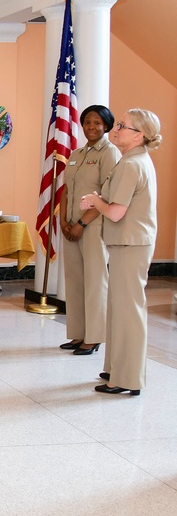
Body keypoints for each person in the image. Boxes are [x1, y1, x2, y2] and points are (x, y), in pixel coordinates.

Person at [80, 108, 161, 397]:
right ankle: (116, 368)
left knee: (128, 312)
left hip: (131, 244)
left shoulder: (131, 164)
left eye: (123, 126)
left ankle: (128, 378)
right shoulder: (132, 159)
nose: (116, 129)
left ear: (139, 135)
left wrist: (94, 202)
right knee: (120, 309)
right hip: (127, 243)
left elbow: (115, 212)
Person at [59, 105, 120, 356]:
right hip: (70, 226)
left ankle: (94, 337)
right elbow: (66, 190)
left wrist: (81, 224)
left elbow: (108, 194)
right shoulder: (76, 153)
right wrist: (63, 221)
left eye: (97, 123)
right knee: (75, 280)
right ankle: (78, 333)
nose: (91, 127)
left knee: (95, 281)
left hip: (93, 227)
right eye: (87, 122)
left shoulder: (109, 153)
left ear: (106, 126)